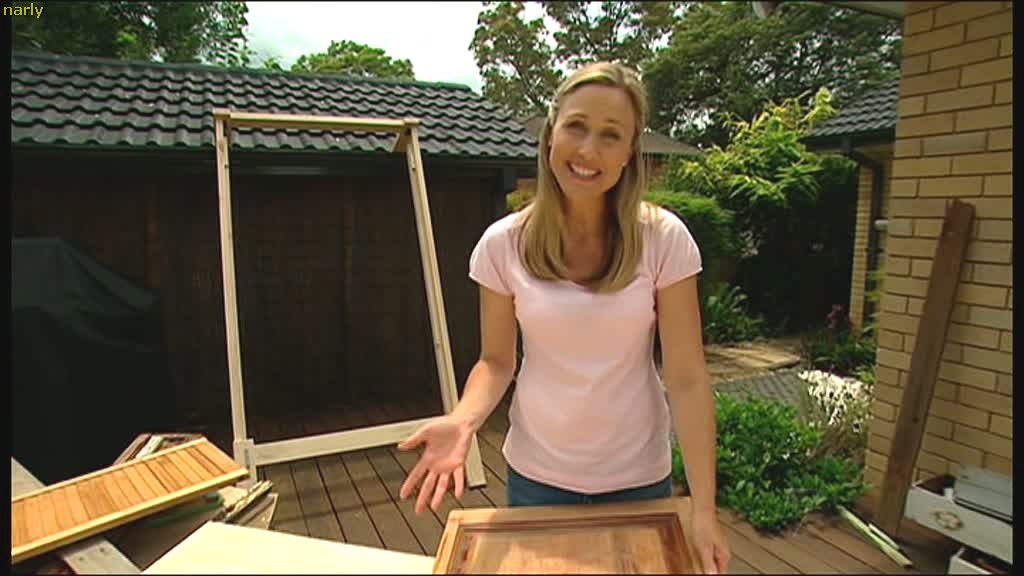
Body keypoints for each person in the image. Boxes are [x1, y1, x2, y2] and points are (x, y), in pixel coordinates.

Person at [397, 61, 730, 574]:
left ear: (629, 153)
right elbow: (496, 361)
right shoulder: (502, 245)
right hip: (538, 480)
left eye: (610, 135)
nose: (589, 150)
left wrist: (704, 511)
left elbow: (687, 377)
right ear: (551, 133)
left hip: (639, 480)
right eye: (576, 126)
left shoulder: (664, 239)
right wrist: (463, 420)